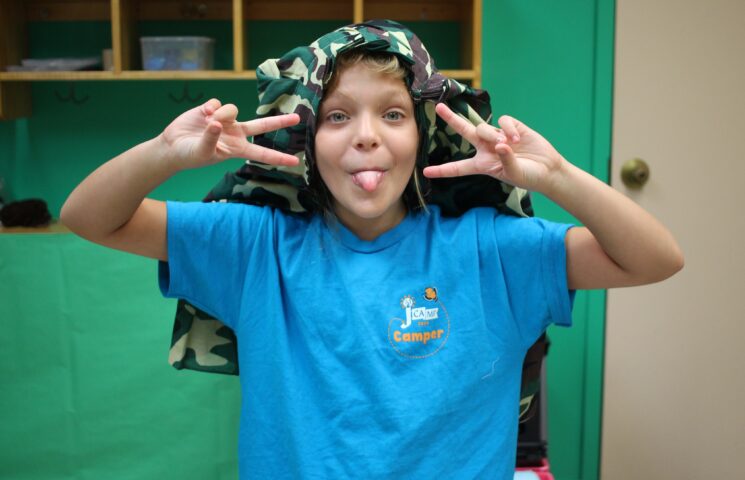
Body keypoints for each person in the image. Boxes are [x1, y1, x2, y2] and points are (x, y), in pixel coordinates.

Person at [60, 19, 683, 480]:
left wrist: (557, 177)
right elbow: (88, 217)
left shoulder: (492, 252)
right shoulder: (257, 248)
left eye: (392, 114)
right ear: (305, 138)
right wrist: (165, 154)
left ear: (423, 133)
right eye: (336, 117)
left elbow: (656, 259)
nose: (365, 137)